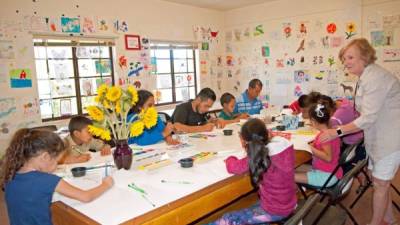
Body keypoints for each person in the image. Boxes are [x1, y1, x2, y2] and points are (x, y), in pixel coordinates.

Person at [319, 38, 400, 225]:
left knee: (380, 184)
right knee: (377, 179)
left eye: (350, 57)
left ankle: (376, 222)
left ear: (364, 56)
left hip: (390, 139)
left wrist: (336, 132)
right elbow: (364, 111)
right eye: (344, 58)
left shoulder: (375, 78)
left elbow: (368, 118)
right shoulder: (365, 77)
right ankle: (390, 219)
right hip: (377, 137)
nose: (346, 62)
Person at [1, 128, 114, 225]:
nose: (56, 167)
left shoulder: (11, 173)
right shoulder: (46, 180)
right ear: (45, 157)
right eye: (57, 162)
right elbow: (86, 197)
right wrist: (106, 184)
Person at [207, 119, 296, 224]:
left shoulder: (260, 155)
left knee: (226, 219)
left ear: (243, 140)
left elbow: (234, 167)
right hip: (289, 202)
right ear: (267, 133)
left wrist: (230, 159)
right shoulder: (283, 147)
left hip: (275, 210)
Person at [295, 103, 342, 187]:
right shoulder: (332, 132)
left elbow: (328, 158)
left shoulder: (324, 136)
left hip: (327, 176)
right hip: (330, 171)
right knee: (294, 170)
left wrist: (309, 147)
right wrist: (312, 146)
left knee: (288, 176)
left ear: (313, 120)